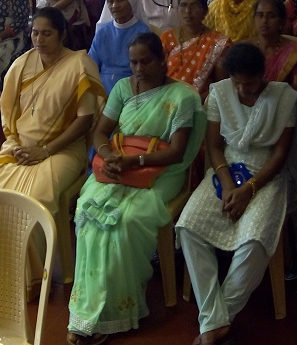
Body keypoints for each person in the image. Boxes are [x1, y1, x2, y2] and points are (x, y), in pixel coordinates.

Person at [67, 33, 205, 343]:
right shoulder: (121, 88)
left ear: (161, 60)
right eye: (133, 62)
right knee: (87, 213)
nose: (139, 68)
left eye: (146, 61)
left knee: (125, 222)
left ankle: (113, 312)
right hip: (118, 167)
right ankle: (88, 311)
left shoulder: (182, 97)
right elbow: (101, 133)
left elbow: (177, 153)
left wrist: (136, 161)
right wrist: (109, 157)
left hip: (160, 173)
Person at [0, 8, 107, 282]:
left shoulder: (79, 64)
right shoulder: (22, 64)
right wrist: (14, 144)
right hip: (19, 147)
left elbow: (85, 121)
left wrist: (45, 150)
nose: (39, 39)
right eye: (35, 33)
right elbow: (9, 114)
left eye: (47, 33)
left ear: (62, 34)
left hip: (62, 151)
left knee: (31, 202)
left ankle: (31, 277)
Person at [177, 43, 297, 345]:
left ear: (264, 75)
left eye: (250, 82)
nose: (244, 89)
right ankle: (215, 319)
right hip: (225, 168)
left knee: (256, 239)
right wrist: (230, 184)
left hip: (267, 174)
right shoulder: (220, 93)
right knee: (188, 227)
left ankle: (217, 320)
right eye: (238, 83)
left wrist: (250, 188)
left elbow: (281, 154)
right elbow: (215, 146)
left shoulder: (284, 98)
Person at [161, 0, 231, 99]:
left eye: (195, 6)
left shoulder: (218, 42)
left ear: (205, 12)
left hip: (200, 103)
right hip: (166, 99)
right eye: (183, 6)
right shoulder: (166, 38)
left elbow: (221, 86)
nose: (188, 11)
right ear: (177, 10)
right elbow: (157, 74)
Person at [89, 0, 152, 95]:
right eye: (110, 1)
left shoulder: (143, 31)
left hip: (131, 88)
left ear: (131, 1)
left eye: (120, 0)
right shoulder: (102, 31)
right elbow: (91, 65)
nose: (115, 6)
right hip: (101, 88)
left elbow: (146, 70)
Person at [243, 0, 297, 95]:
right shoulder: (243, 48)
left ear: (281, 22)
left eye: (271, 16)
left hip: (282, 106)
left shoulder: (296, 54)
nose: (264, 20)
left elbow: (296, 95)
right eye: (260, 15)